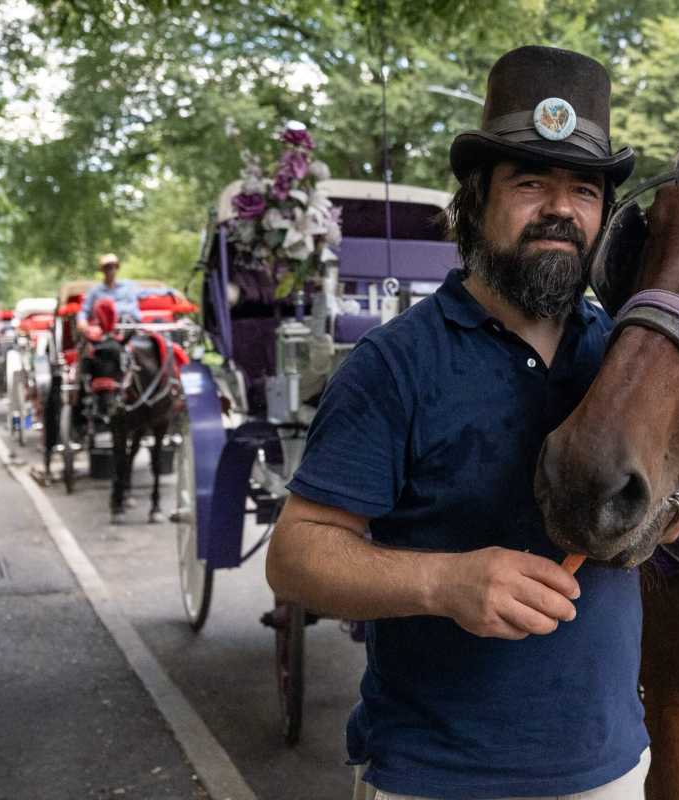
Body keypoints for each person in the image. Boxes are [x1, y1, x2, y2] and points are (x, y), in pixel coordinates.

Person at [266, 46, 648, 799]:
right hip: (433, 778)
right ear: (475, 200)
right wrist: (444, 581)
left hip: (610, 770)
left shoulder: (627, 360)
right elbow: (296, 556)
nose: (560, 210)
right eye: (530, 182)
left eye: (583, 189)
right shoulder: (394, 365)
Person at [77, 253, 156, 331]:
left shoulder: (129, 286)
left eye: (112, 267)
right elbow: (84, 310)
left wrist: (168, 291)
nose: (110, 270)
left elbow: (149, 292)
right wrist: (81, 320)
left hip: (133, 325)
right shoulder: (95, 291)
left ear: (117, 268)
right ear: (102, 270)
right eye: (107, 267)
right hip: (107, 329)